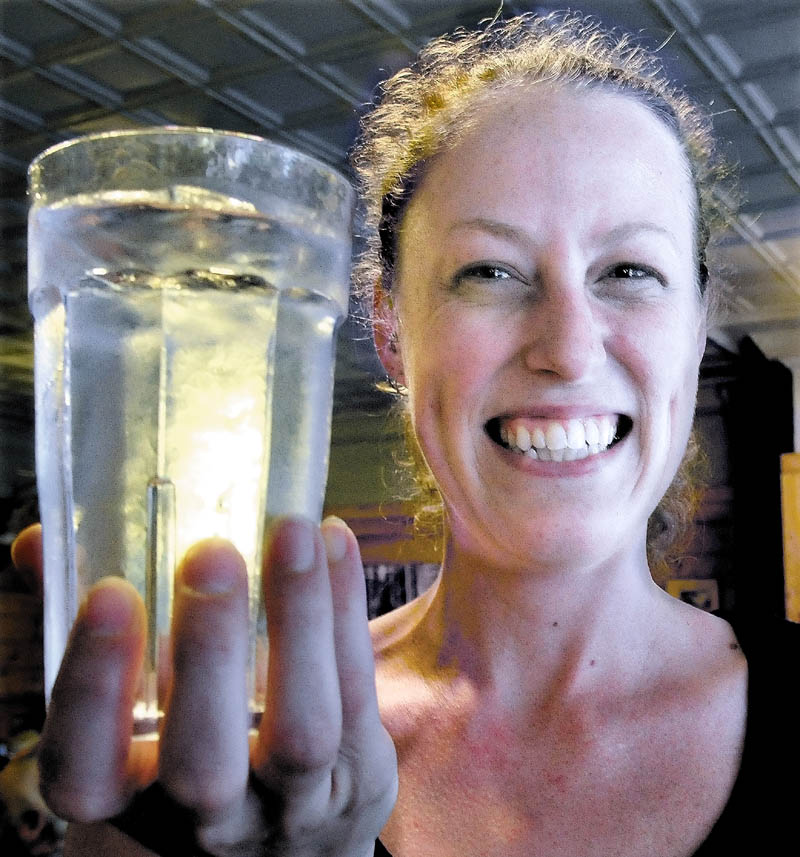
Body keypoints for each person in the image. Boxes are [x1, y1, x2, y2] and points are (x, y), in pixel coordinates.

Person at [10, 11, 800, 857]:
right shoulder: (226, 750)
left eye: (630, 272)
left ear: (695, 325)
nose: (568, 348)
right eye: (489, 271)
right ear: (389, 326)